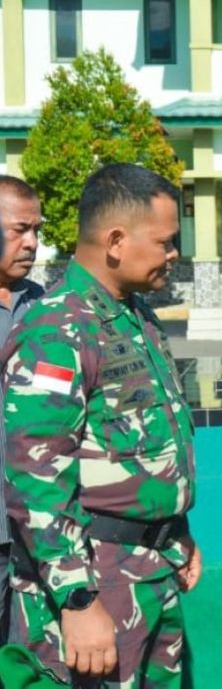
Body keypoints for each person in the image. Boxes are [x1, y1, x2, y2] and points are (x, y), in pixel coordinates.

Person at [2, 164, 201, 687]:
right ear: (116, 241)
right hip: (96, 579)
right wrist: (77, 598)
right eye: (165, 242)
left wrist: (176, 532)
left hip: (150, 569)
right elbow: (35, 475)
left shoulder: (135, 318)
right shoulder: (56, 329)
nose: (173, 254)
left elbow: (151, 447)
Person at [0, 177, 45, 643]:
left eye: (36, 230)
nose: (31, 242)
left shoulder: (45, 307)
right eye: (19, 230)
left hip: (37, 533)